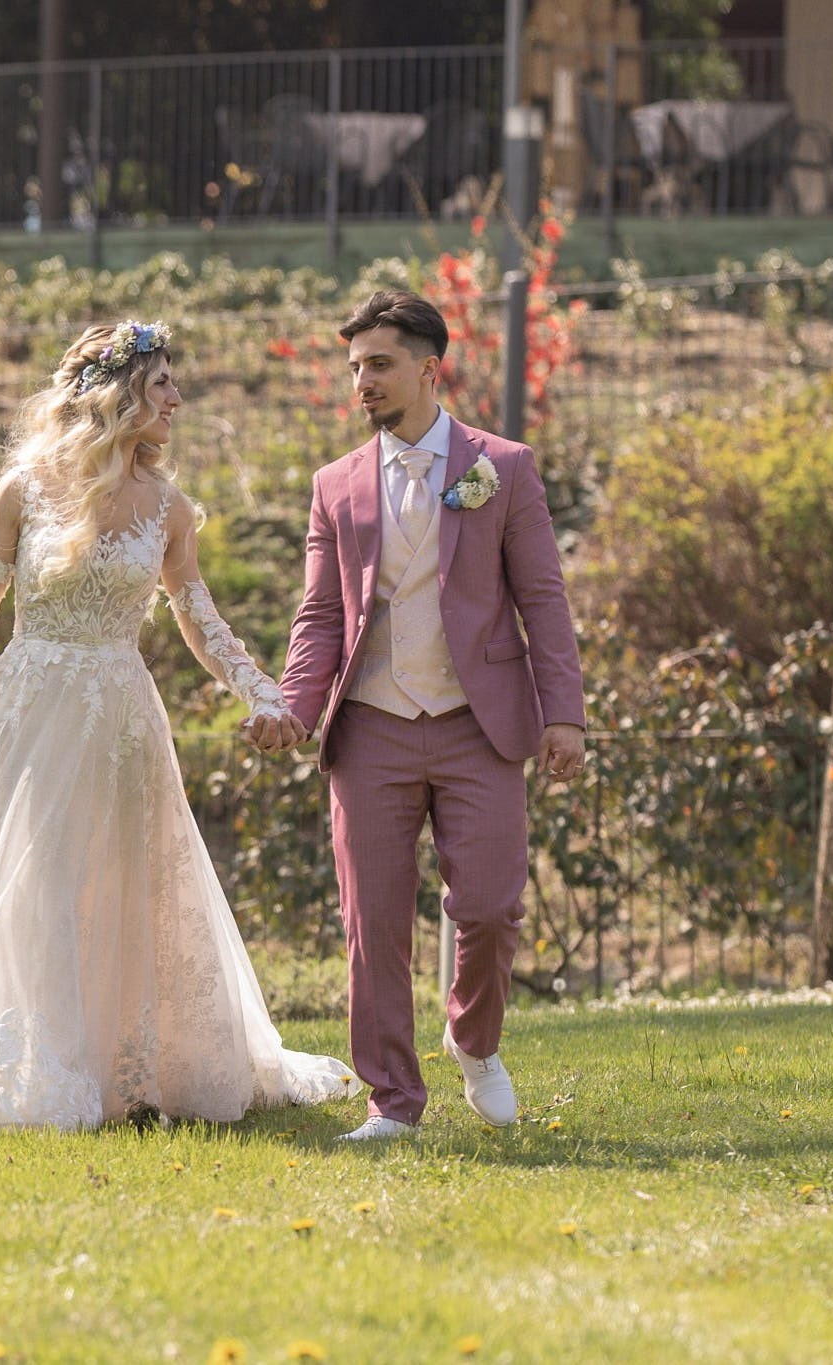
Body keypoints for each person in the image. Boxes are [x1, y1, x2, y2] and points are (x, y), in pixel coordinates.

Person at [0, 320, 360, 1137]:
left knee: (120, 882)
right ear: (118, 397)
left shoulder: (171, 509)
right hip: (26, 708)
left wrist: (261, 693)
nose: (177, 400)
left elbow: (200, 619)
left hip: (119, 716)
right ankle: (26, 1066)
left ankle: (128, 1066)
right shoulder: (22, 487)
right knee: (26, 880)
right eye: (162, 387)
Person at [270, 290, 586, 1142]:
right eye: (354, 368)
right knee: (372, 922)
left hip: (477, 721)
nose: (362, 382)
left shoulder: (503, 467)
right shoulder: (335, 485)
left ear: (428, 368)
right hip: (370, 724)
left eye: (378, 364)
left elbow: (544, 601)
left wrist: (567, 715)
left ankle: (473, 1041)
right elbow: (320, 616)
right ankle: (391, 1104)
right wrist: (295, 708)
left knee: (488, 906)